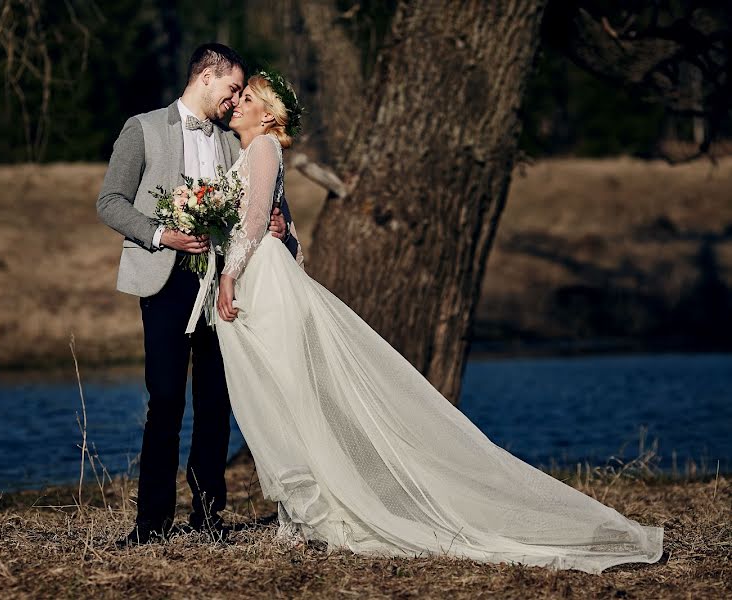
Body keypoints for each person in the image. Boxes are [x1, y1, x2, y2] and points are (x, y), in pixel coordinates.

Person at [212, 70, 664, 574]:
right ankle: (297, 516)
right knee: (280, 397)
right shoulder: (250, 153)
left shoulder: (263, 149)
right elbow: (279, 226)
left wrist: (230, 275)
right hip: (258, 274)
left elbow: (259, 224)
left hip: (259, 279)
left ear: (269, 115)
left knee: (289, 395)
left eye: (247, 98)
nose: (237, 104)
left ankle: (307, 517)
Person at [96, 43, 300, 545]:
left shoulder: (238, 140)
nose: (236, 101)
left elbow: (261, 202)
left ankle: (209, 518)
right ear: (206, 76)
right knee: (165, 399)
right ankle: (152, 523)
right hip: (165, 278)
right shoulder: (142, 129)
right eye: (233, 89)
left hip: (225, 281)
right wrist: (163, 233)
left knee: (215, 400)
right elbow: (109, 202)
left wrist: (277, 224)